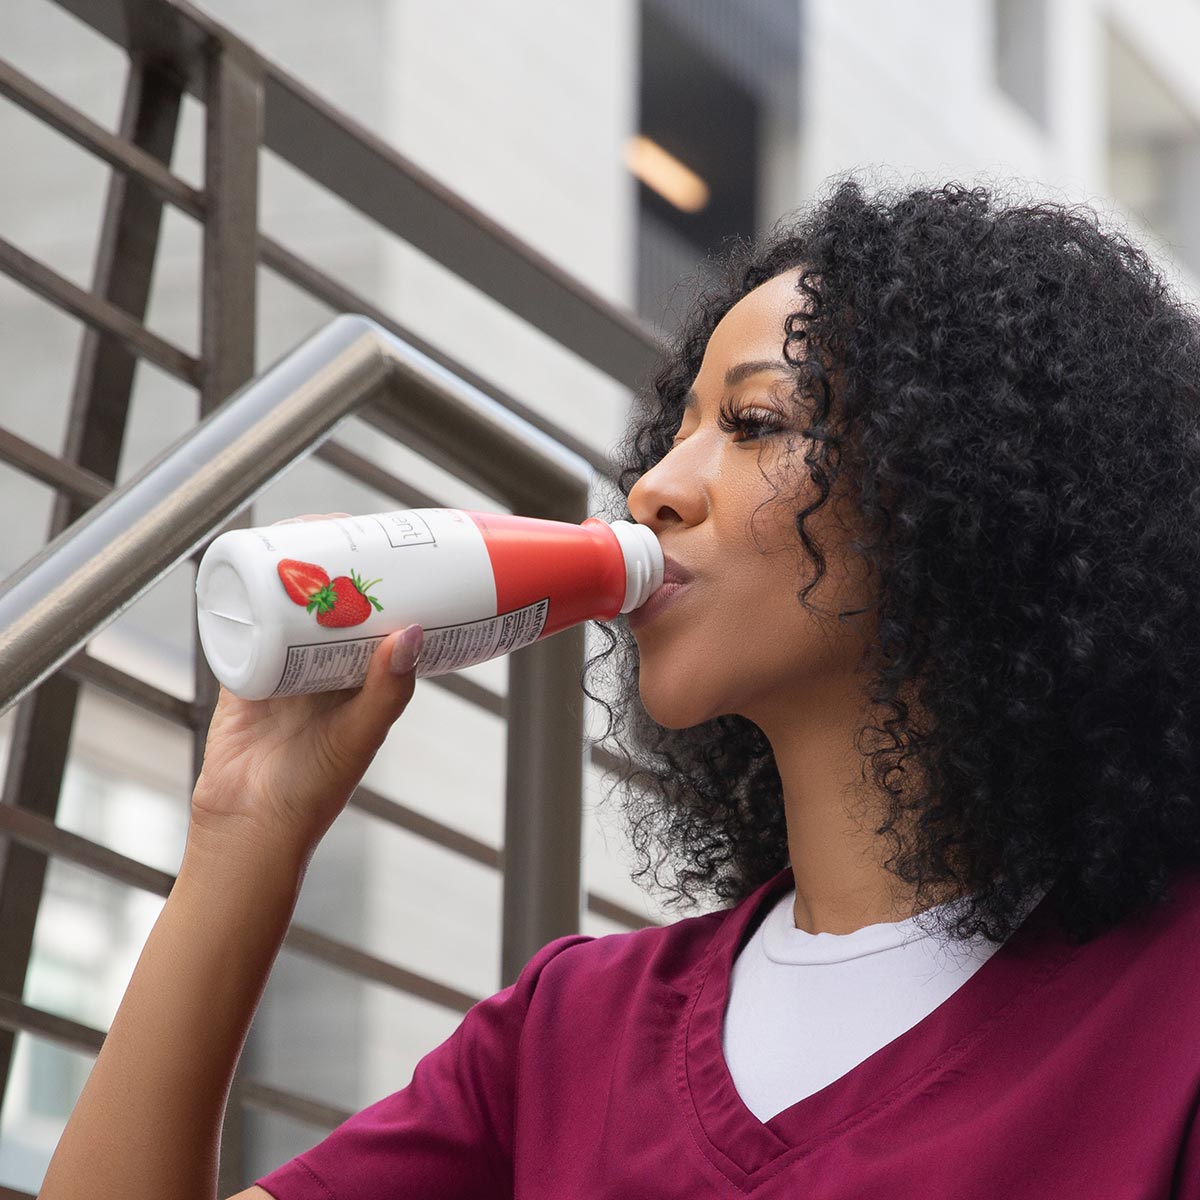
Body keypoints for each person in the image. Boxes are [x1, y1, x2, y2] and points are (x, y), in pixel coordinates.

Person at [39, 177, 1200, 1199]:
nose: (652, 489)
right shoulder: (564, 1037)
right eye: (675, 428)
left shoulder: (1166, 1009)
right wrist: (248, 826)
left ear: (968, 498)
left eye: (753, 423)